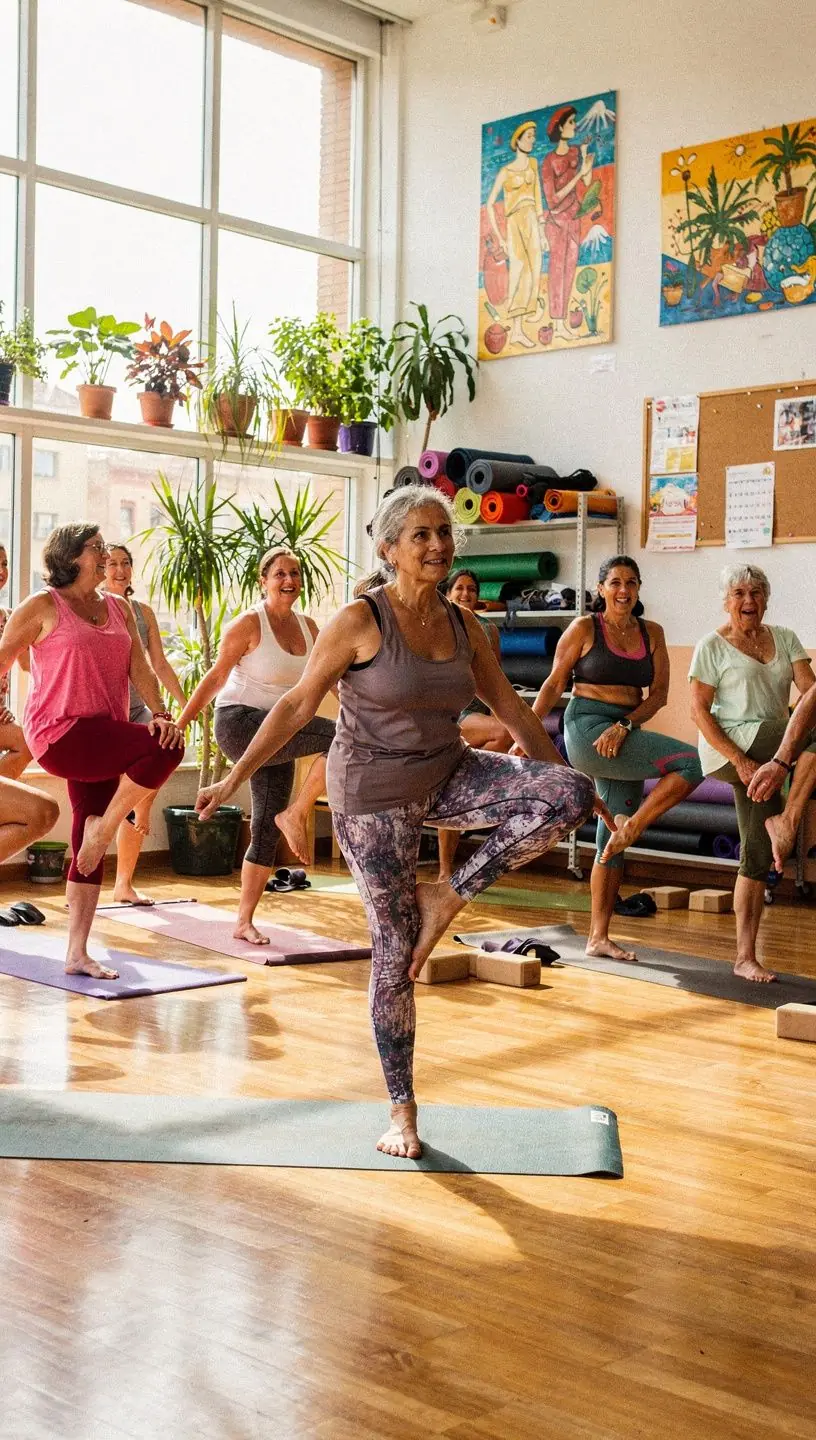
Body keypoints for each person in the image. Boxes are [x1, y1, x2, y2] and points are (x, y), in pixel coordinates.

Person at [194, 486, 601, 1160]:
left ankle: (448, 894)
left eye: (444, 533)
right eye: (421, 535)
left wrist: (570, 782)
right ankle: (402, 1110)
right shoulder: (359, 620)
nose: (438, 545)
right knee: (394, 952)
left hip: (448, 771)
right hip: (372, 796)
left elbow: (513, 711)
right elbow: (296, 705)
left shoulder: (465, 624)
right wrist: (233, 778)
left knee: (569, 795)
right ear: (389, 549)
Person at [0, 524, 184, 979]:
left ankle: (77, 952)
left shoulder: (118, 608)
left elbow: (139, 666)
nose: (104, 555)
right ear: (70, 556)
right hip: (59, 732)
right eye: (95, 548)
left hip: (104, 732)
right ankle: (104, 831)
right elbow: (2, 659)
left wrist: (161, 712)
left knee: (91, 829)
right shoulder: (43, 605)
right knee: (164, 751)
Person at [530, 555, 703, 963]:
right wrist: (528, 732)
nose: (623, 590)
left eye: (631, 582)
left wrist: (625, 725)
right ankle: (634, 827)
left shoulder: (652, 632)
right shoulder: (584, 627)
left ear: (639, 588)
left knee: (610, 839)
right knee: (692, 763)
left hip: (624, 731)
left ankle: (598, 937)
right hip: (587, 729)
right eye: (615, 582)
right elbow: (554, 684)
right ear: (601, 588)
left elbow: (658, 696)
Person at [176, 548, 335, 947]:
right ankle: (295, 813)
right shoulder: (249, 624)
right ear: (263, 581)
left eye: (295, 573)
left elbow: (331, 680)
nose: (289, 580)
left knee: (265, 827)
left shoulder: (310, 628)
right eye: (280, 573)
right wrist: (180, 723)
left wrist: (368, 712)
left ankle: (243, 921)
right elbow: (216, 678)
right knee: (339, 735)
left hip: (279, 731)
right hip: (240, 724)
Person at [689, 563, 816, 983]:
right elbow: (698, 713)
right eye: (740, 593)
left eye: (757, 593)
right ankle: (789, 819)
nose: (749, 600)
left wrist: (776, 759)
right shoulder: (711, 645)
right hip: (730, 747)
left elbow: (811, 694)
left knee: (757, 853)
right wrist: (742, 761)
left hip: (772, 748)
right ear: (726, 602)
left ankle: (745, 957)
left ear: (766, 600)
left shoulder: (785, 638)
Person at [103, 544, 187, 905]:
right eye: (111, 564)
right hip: (107, 709)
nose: (120, 570)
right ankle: (84, 880)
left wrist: (185, 703)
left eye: (125, 563)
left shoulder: (143, 612)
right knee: (103, 798)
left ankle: (124, 884)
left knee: (153, 769)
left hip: (141, 708)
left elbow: (159, 664)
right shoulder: (92, 607)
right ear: (99, 569)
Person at [437, 568, 512, 881]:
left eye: (471, 589)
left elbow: (496, 679)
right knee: (503, 731)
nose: (466, 594)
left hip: (480, 712)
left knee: (455, 787)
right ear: (447, 593)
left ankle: (472, 779)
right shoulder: (439, 624)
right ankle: (444, 871)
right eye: (459, 588)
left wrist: (501, 710)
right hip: (454, 714)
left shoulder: (488, 629)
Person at [485, 119, 545, 348]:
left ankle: (525, 321)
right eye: (528, 136)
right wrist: (501, 238)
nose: (532, 140)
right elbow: (490, 203)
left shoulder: (533, 164)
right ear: (517, 140)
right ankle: (517, 330)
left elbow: (538, 197)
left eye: (533, 136)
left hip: (532, 220)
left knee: (535, 269)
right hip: (515, 222)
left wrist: (542, 231)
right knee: (519, 272)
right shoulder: (505, 171)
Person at [540, 105, 593, 343]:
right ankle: (558, 324)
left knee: (570, 270)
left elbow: (586, 181)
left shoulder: (574, 153)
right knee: (557, 272)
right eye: (570, 122)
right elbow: (552, 200)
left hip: (574, 218)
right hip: (557, 222)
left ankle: (563, 325)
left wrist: (585, 160)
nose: (574, 126)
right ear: (560, 128)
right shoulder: (548, 161)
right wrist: (580, 174)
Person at [0, 544, 34, 780]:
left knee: (27, 744)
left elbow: (28, 664)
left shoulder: (10, 617)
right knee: (25, 744)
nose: (2, 570)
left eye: (4, 564)